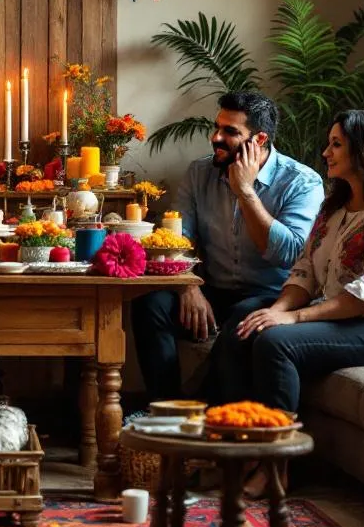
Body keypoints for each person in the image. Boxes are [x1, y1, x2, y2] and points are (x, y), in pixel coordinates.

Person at [223, 110, 364, 413]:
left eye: (336, 144)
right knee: (248, 315)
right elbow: (305, 272)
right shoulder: (334, 208)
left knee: (275, 342)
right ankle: (226, 427)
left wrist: (293, 318)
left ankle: (271, 451)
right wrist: (274, 312)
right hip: (352, 317)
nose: (326, 152)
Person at [131, 91, 325, 403]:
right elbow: (179, 239)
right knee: (150, 305)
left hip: (271, 294)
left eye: (230, 132)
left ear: (259, 139)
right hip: (212, 288)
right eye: (217, 127)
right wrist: (188, 288)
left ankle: (208, 413)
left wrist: (246, 192)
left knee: (243, 316)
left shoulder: (302, 183)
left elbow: (286, 253)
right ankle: (164, 410)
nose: (216, 138)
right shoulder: (200, 172)